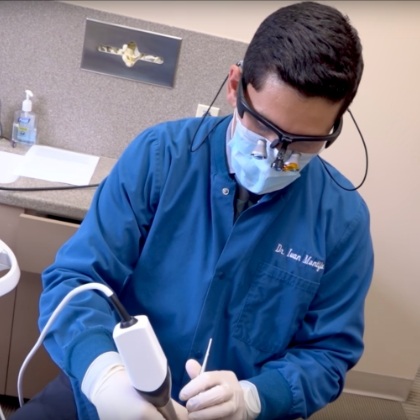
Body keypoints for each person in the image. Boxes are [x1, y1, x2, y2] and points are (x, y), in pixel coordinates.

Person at [11, 1, 374, 419]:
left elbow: (328, 354)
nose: (277, 157)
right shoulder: (160, 157)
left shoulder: (343, 220)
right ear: (236, 85)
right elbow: (75, 280)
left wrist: (255, 398)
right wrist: (103, 378)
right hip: (110, 397)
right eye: (264, 130)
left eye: (302, 143)